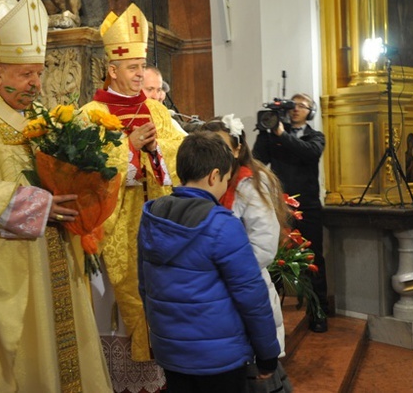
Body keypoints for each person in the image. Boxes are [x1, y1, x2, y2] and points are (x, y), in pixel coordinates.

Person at [0, 0, 112, 393]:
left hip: (56, 257)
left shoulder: (40, 117)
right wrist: (36, 205)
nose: (36, 83)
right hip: (9, 266)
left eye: (39, 72)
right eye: (25, 74)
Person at [82, 2, 183, 393]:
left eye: (143, 65)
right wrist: (128, 148)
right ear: (112, 70)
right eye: (132, 67)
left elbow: (178, 155)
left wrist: (156, 153)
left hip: (154, 226)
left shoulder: (157, 111)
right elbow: (85, 174)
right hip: (109, 230)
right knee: (111, 308)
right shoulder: (90, 114)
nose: (140, 73)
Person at [138, 131, 281, 393]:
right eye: (227, 179)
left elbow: (145, 287)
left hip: (171, 351)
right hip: (219, 358)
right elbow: (251, 297)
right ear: (214, 176)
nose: (226, 185)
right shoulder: (221, 224)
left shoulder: (152, 216)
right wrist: (267, 354)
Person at [202, 115, 293, 392]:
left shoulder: (250, 183)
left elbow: (263, 247)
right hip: (217, 295)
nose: (216, 154)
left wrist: (220, 273)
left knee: (255, 380)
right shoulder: (208, 181)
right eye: (208, 147)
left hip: (244, 287)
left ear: (238, 149)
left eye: (222, 146)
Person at [253, 92, 328, 332]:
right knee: (273, 256)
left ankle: (319, 310)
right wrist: (266, 133)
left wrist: (281, 135)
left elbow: (309, 152)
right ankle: (269, 311)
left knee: (313, 259)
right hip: (280, 205)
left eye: (302, 105)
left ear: (311, 111)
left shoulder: (315, 136)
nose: (296, 109)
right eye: (292, 105)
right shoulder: (273, 135)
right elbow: (257, 160)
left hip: (308, 206)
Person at [143, 65, 187, 136]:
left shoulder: (164, 117)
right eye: (150, 89)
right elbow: (119, 144)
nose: (156, 96)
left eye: (159, 90)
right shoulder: (122, 117)